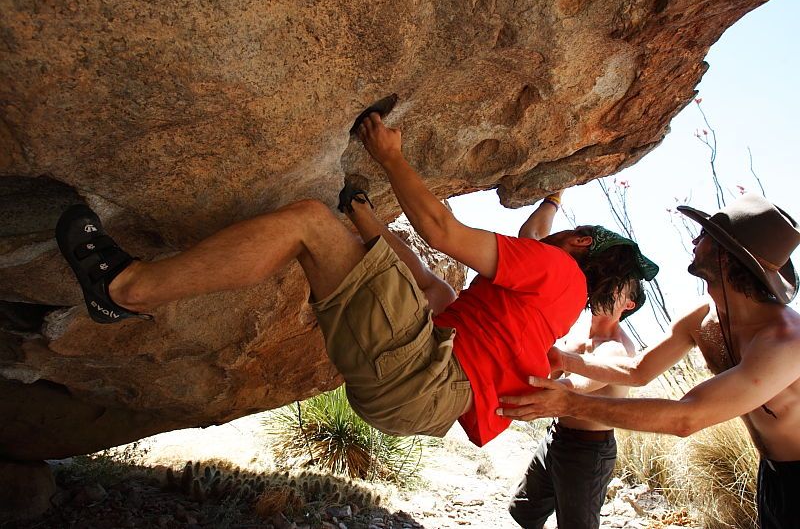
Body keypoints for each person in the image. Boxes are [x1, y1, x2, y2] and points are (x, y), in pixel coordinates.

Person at [55, 113, 651, 446]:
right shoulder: (555, 301)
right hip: (422, 399)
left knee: (311, 227)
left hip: (424, 379)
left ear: (577, 246)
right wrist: (551, 197)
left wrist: (390, 153)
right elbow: (446, 266)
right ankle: (361, 214)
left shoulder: (555, 269)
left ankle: (123, 291)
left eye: (564, 233)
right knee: (434, 291)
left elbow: (443, 230)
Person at [497, 193, 800, 527]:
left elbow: (687, 418)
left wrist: (569, 403)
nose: (694, 239)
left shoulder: (785, 342)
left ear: (726, 257)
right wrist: (565, 359)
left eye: (706, 237)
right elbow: (638, 370)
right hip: (772, 473)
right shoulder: (701, 317)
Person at [508, 194, 649, 529]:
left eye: (617, 287)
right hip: (556, 437)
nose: (605, 288)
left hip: (589, 453)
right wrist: (553, 199)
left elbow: (583, 382)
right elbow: (532, 244)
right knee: (523, 511)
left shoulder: (617, 347)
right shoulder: (574, 324)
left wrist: (549, 386)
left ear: (627, 304)